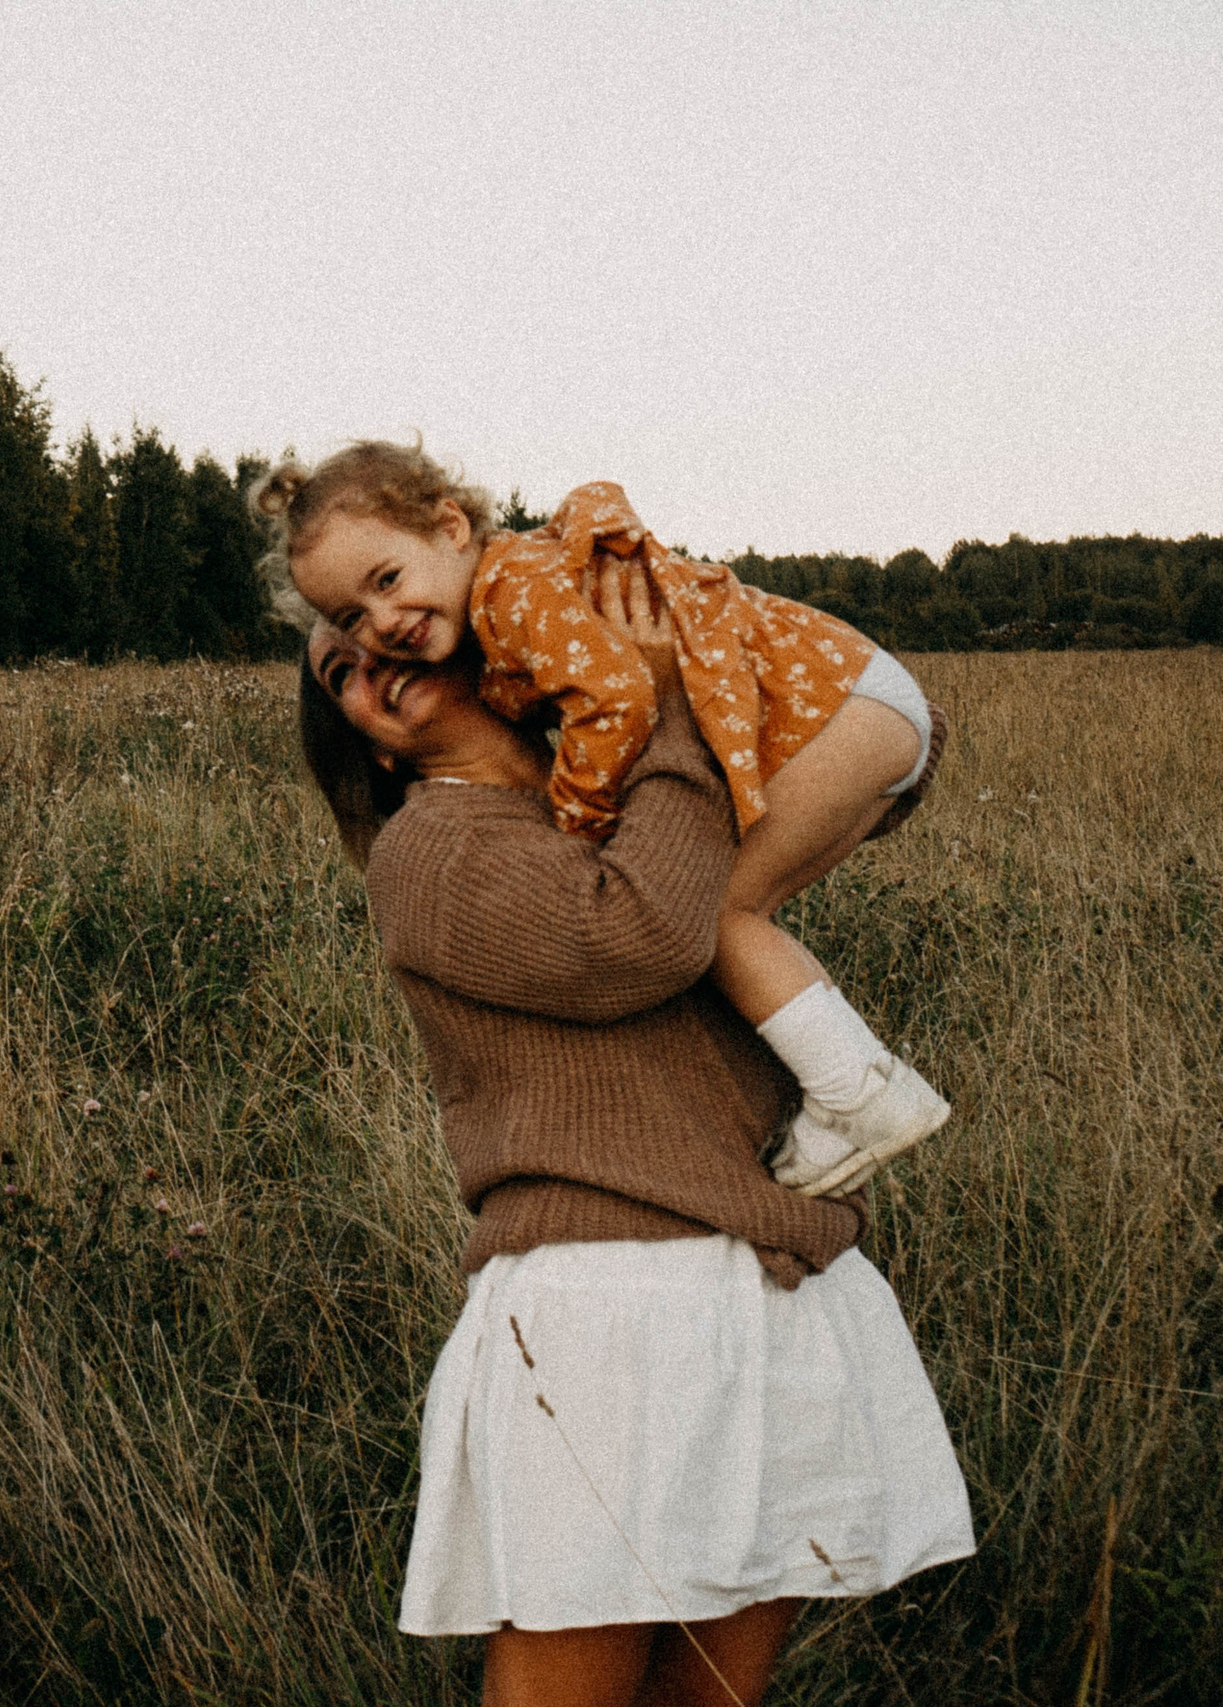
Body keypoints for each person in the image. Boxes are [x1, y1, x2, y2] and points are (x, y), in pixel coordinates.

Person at [297, 562, 972, 1705]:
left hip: (770, 1289)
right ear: (372, 748)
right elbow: (640, 941)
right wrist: (662, 702)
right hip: (601, 1319)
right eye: (340, 673)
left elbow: (890, 763)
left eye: (380, 627)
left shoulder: (614, 808)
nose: (371, 658)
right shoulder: (432, 851)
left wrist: (690, 666)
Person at [262, 444, 947, 1197]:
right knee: (739, 912)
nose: (382, 627)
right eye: (352, 619)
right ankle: (854, 1087)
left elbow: (620, 700)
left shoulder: (511, 598)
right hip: (852, 697)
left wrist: (582, 820)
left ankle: (858, 1094)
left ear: (450, 527)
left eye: (388, 581)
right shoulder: (516, 594)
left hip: (840, 707)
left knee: (723, 914)